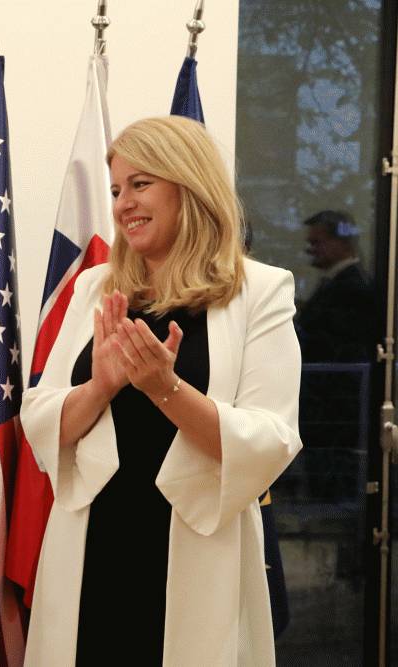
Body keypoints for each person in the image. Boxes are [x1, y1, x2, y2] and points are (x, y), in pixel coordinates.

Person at [20, 116, 302, 666]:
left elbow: (271, 439)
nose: (124, 203)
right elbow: (40, 416)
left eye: (141, 183)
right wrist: (101, 386)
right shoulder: (94, 287)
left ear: (189, 185)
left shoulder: (261, 291)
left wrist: (165, 389)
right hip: (93, 542)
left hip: (195, 546)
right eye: (117, 189)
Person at [296, 209, 373, 363]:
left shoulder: (353, 287)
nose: (309, 249)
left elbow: (330, 341)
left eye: (316, 242)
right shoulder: (338, 282)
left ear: (342, 243)